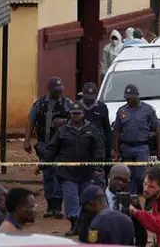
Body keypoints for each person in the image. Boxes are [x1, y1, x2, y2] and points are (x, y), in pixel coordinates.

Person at [45, 102, 106, 236]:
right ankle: (75, 224)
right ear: (70, 114)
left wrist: (97, 167)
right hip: (67, 172)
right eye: (73, 113)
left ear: (83, 114)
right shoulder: (63, 130)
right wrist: (43, 163)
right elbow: (52, 148)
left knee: (86, 199)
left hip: (86, 172)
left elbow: (99, 149)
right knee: (71, 199)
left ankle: (86, 225)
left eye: (78, 113)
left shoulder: (92, 129)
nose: (76, 116)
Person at [23, 76, 72, 219]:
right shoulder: (40, 104)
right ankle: (50, 206)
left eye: (61, 89)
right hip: (44, 145)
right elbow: (31, 121)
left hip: (61, 146)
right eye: (57, 90)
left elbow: (76, 119)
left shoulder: (67, 104)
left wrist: (65, 122)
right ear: (50, 90)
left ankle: (57, 207)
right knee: (47, 175)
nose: (59, 92)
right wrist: (26, 140)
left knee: (59, 175)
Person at [113, 84, 160, 195]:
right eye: (127, 98)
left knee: (141, 176)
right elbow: (117, 131)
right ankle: (132, 198)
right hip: (126, 147)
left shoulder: (147, 110)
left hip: (141, 147)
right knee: (128, 176)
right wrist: (116, 149)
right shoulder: (122, 111)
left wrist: (159, 150)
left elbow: (157, 130)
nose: (129, 100)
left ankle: (147, 196)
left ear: (137, 96)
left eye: (131, 97)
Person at [102, 164, 147, 247]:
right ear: (109, 177)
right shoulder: (99, 198)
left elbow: (141, 231)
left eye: (124, 181)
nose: (120, 183)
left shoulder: (132, 201)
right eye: (117, 178)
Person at [78, 82, 112, 179]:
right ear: (83, 94)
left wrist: (109, 149)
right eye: (87, 97)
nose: (90, 99)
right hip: (81, 146)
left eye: (92, 96)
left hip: (98, 146)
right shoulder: (76, 106)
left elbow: (107, 129)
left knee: (99, 176)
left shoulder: (102, 107)